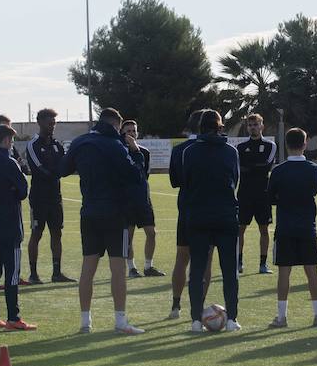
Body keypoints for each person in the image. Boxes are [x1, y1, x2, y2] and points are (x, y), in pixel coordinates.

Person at [64, 107, 148, 335]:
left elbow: (63, 169)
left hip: (89, 211)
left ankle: (85, 322)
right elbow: (136, 176)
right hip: (115, 213)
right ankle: (120, 321)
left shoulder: (80, 142)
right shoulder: (116, 145)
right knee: (118, 268)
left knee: (88, 267)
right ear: (115, 125)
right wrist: (136, 153)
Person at [179, 109, 242, 332]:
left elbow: (186, 183)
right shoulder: (231, 151)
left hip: (198, 216)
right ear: (220, 127)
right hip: (225, 215)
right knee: (229, 271)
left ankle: (196, 320)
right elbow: (235, 181)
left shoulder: (190, 151)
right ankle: (232, 319)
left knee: (197, 270)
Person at [266, 128, 317, 328]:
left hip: (285, 227)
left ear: (286, 144)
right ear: (305, 143)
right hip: (307, 226)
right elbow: (313, 190)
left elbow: (270, 196)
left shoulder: (279, 171)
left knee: (284, 273)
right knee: (312, 272)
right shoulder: (313, 169)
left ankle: (281, 317)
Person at [0, 124, 35, 330]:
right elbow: (22, 190)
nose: (12, 145)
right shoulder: (9, 163)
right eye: (11, 141)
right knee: (11, 273)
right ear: (5, 141)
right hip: (9, 225)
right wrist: (11, 189)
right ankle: (13, 317)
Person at [167, 110, 213, 320]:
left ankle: (176, 306)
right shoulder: (213, 148)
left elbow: (175, 181)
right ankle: (199, 308)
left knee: (182, 257)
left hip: (186, 208)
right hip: (208, 208)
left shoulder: (179, 150)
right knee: (205, 260)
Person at [26, 108, 72, 284]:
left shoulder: (57, 145)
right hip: (39, 197)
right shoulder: (33, 145)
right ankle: (33, 274)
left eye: (54, 123)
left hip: (55, 196)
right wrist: (57, 172)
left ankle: (57, 273)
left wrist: (63, 170)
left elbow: (65, 164)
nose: (52, 126)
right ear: (40, 122)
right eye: (49, 122)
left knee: (56, 233)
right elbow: (39, 169)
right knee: (37, 233)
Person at [236, 113, 277, 276]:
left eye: (256, 124)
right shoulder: (240, 147)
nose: (253, 127)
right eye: (250, 125)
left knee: (264, 230)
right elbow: (241, 168)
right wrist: (255, 167)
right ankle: (238, 262)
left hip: (263, 194)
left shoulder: (270, 145)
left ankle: (263, 263)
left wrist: (251, 166)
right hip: (244, 194)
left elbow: (266, 167)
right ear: (247, 127)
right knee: (240, 229)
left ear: (262, 126)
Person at [122, 119, 162, 278]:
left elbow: (145, 175)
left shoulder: (144, 152)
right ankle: (131, 268)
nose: (132, 133)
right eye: (128, 131)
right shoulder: (120, 151)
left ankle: (148, 266)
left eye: (134, 130)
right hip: (126, 201)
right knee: (128, 235)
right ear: (122, 133)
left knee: (151, 233)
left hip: (143, 199)